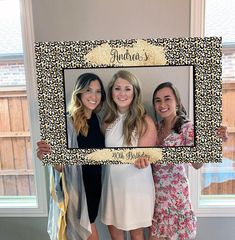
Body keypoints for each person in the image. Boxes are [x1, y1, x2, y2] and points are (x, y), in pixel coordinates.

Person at [149, 82, 227, 240]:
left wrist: (211, 141)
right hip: (156, 200)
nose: (162, 104)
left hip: (177, 201)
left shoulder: (186, 128)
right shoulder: (154, 128)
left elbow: (197, 164)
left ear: (176, 101)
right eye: (158, 100)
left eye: (167, 99)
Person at [37, 73, 106, 240]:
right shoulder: (67, 123)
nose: (94, 96)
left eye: (98, 91)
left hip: (93, 190)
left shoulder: (98, 120)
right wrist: (47, 157)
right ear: (79, 93)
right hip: (75, 190)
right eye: (89, 90)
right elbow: (62, 167)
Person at [100, 70, 158, 240]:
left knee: (137, 233)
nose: (122, 93)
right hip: (112, 184)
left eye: (127, 88)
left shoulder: (144, 120)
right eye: (117, 88)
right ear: (111, 92)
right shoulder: (107, 121)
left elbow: (146, 157)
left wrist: (143, 160)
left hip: (136, 186)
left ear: (135, 92)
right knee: (114, 231)